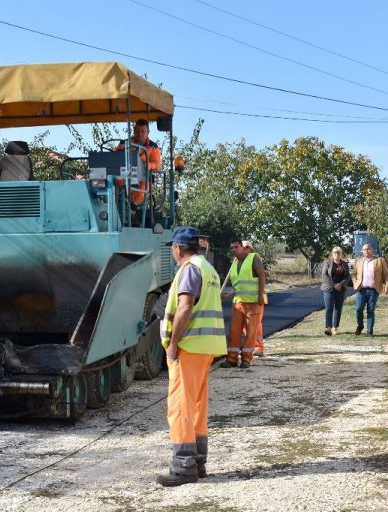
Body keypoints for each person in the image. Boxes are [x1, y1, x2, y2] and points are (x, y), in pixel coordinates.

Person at [157, 226, 227, 487]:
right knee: (197, 406)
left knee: (180, 406)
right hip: (206, 346)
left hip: (189, 347)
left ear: (177, 248)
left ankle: (183, 467)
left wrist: (173, 344)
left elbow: (185, 307)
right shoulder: (207, 268)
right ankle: (198, 462)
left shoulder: (188, 269)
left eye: (172, 248)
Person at [221, 238, 266, 368]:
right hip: (238, 302)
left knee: (251, 332)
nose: (234, 250)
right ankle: (231, 359)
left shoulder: (253, 258)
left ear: (242, 247)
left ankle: (246, 359)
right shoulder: (234, 263)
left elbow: (261, 276)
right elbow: (239, 284)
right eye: (232, 248)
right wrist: (230, 294)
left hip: (253, 302)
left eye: (236, 247)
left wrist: (260, 295)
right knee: (234, 331)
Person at [115, 119, 162, 206]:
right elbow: (114, 158)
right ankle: (112, 206)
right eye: (137, 131)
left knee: (140, 189)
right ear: (134, 131)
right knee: (107, 180)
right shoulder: (124, 143)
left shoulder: (153, 147)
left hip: (142, 177)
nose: (139, 134)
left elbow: (157, 165)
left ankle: (133, 209)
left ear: (148, 132)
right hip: (123, 173)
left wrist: (148, 165)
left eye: (142, 131)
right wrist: (120, 149)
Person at [352, 243, 388, 336]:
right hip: (362, 290)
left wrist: (387, 286)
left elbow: (386, 275)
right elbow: (354, 274)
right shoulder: (359, 261)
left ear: (372, 250)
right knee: (358, 309)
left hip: (374, 290)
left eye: (368, 249)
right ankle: (360, 326)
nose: (366, 251)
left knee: (370, 311)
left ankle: (370, 331)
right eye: (364, 250)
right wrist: (355, 283)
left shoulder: (379, 261)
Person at [321, 246, 351, 336]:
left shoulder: (344, 264)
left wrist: (340, 284)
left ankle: (335, 327)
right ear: (332, 254)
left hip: (341, 289)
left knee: (338, 309)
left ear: (341, 254)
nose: (336, 254)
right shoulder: (327, 263)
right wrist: (334, 285)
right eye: (335, 252)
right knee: (329, 308)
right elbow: (324, 275)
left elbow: (348, 276)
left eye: (338, 252)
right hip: (329, 289)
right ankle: (328, 328)